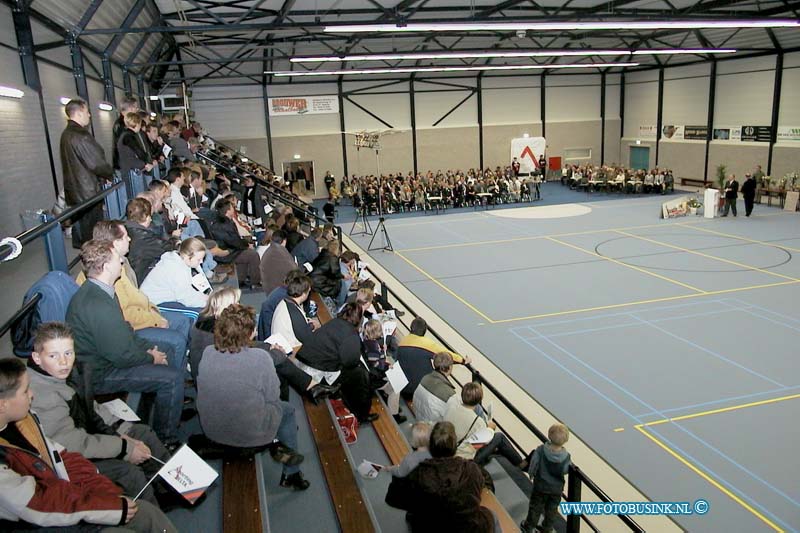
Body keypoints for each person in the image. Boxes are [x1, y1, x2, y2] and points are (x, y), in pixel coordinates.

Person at [0, 358, 177, 532]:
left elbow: (63, 458)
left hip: (66, 495)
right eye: (25, 391)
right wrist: (105, 507)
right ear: (3, 405)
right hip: (38, 522)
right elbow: (39, 504)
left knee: (147, 514)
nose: (32, 394)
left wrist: (106, 493)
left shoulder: (25, 419)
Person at [27, 322, 172, 508]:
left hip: (86, 435)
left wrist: (122, 428)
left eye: (68, 353)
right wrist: (125, 448)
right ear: (37, 358)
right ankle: (151, 514)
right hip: (68, 458)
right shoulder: (41, 395)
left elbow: (90, 407)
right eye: (53, 355)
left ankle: (170, 487)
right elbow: (74, 443)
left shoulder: (65, 373)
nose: (63, 362)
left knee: (143, 433)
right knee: (129, 474)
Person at [66, 240, 184, 443]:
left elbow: (126, 332)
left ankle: (168, 407)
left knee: (167, 349)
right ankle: (166, 438)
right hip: (101, 374)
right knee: (172, 378)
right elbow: (121, 356)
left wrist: (148, 348)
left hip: (110, 358)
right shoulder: (98, 304)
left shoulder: (102, 291)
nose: (122, 261)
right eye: (116, 259)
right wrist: (150, 356)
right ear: (105, 267)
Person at [196, 304, 311, 490]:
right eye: (254, 328)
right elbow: (272, 399)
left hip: (212, 429)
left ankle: (275, 441)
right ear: (248, 333)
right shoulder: (260, 358)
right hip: (251, 434)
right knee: (287, 411)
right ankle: (292, 473)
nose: (256, 331)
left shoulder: (208, 353)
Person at [385, 421, 495, 532]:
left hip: (429, 526)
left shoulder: (419, 474)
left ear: (430, 446)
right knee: (491, 516)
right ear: (454, 446)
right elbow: (487, 482)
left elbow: (392, 498)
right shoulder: (472, 469)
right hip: (465, 528)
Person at [296, 303, 377, 424]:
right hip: (315, 373)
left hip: (301, 363)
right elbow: (350, 362)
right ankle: (361, 415)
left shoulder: (333, 323)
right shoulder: (351, 335)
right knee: (360, 375)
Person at [60, 98, 114, 249]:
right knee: (92, 234)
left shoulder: (66, 134)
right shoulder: (80, 135)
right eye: (87, 112)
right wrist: (109, 174)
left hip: (76, 190)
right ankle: (94, 262)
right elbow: (96, 162)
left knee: (83, 233)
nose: (89, 115)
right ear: (78, 113)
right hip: (88, 192)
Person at [445, 382, 524, 468]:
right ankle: (520, 464)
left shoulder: (452, 409)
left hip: (447, 452)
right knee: (499, 437)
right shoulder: (478, 422)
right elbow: (477, 445)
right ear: (479, 399)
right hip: (465, 460)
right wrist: (490, 429)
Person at [396, 317, 470, 399]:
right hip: (422, 389)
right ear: (424, 331)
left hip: (403, 389)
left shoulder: (402, 342)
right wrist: (463, 360)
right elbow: (445, 355)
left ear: (411, 328)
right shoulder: (426, 344)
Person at [520, 424, 571, 533]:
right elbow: (565, 471)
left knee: (535, 507)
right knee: (552, 510)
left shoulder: (541, 450)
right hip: (556, 489)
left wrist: (531, 474)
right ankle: (547, 528)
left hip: (540, 486)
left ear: (549, 435)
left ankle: (529, 526)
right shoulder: (566, 457)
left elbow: (533, 463)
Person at [140, 237, 211, 311]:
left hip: (154, 300)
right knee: (200, 311)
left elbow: (187, 290)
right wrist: (208, 303)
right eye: (199, 259)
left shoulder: (177, 261)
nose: (201, 262)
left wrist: (204, 297)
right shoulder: (177, 270)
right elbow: (186, 299)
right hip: (153, 306)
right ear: (186, 257)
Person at [210, 199, 262, 289]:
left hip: (229, 249)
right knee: (253, 254)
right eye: (232, 207)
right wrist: (246, 244)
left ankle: (241, 279)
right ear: (228, 211)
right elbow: (233, 242)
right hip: (226, 253)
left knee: (245, 252)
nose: (233, 209)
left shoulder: (221, 222)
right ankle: (255, 282)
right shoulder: (225, 224)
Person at [412, 352, 456, 423]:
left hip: (418, 417)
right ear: (450, 367)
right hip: (432, 428)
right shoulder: (450, 394)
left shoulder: (425, 378)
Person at [260, 230, 297, 295]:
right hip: (276, 290)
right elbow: (294, 271)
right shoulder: (281, 252)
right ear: (284, 241)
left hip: (267, 286)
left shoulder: (271, 249)